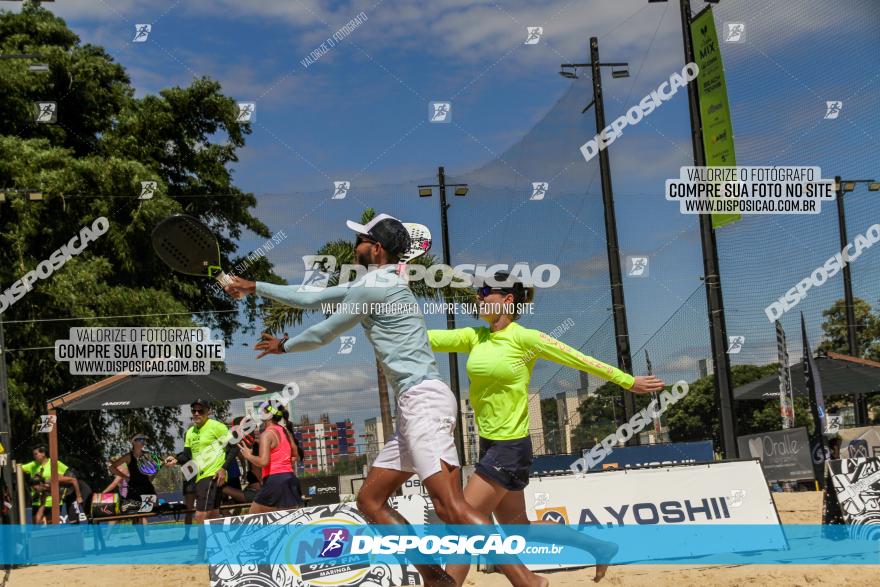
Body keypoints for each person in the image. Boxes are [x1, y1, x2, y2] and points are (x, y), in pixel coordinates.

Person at [224, 214, 541, 587]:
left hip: (423, 401)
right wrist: (254, 286)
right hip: (415, 406)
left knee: (451, 506)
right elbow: (312, 296)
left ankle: (528, 582)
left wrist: (285, 346)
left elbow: (326, 330)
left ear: (376, 248)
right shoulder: (375, 283)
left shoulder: (374, 286)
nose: (353, 245)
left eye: (360, 239)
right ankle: (435, 579)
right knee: (371, 501)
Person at [428, 271, 665, 584]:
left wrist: (627, 380)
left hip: (509, 447)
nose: (479, 296)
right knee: (518, 529)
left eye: (486, 290)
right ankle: (598, 546)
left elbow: (579, 359)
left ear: (507, 300)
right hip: (490, 445)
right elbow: (423, 338)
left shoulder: (526, 339)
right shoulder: (475, 337)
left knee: (462, 524)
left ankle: (522, 582)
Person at [164, 400, 236, 526]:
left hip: (213, 475)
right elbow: (186, 455)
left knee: (200, 515)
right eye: (194, 411)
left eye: (200, 411)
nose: (196, 413)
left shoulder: (217, 426)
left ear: (208, 412)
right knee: (214, 514)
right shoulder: (190, 432)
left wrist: (223, 468)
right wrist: (175, 459)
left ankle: (202, 546)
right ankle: (220, 545)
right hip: (200, 476)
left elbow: (234, 447)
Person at [238, 403, 303, 513]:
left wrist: (248, 456)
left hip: (275, 480)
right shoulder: (285, 431)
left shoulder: (266, 434)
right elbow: (295, 455)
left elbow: (263, 462)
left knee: (253, 517)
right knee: (286, 521)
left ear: (268, 415)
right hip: (290, 478)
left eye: (262, 410)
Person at [21, 445, 85, 524]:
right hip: (37, 501)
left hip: (54, 501)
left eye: (35, 454)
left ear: (43, 453)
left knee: (52, 527)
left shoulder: (54, 464)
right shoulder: (32, 465)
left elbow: (72, 479)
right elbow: (18, 468)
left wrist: (78, 496)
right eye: (33, 454)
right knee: (36, 527)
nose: (34, 456)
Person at [108, 434, 158, 524]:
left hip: (147, 490)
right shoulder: (128, 456)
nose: (143, 441)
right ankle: (107, 537)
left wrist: (150, 478)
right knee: (124, 514)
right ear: (133, 442)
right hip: (134, 491)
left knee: (143, 514)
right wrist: (124, 476)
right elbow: (112, 467)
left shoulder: (148, 455)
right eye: (140, 439)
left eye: (144, 439)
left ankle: (144, 538)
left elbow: (157, 468)